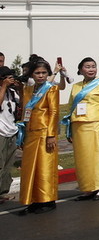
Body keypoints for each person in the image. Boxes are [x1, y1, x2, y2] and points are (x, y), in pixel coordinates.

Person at [15, 60, 62, 214]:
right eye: (37, 73)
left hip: (44, 132)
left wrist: (51, 135)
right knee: (30, 168)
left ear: (48, 73)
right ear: (32, 74)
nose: (41, 76)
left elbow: (54, 112)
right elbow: (25, 111)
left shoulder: (51, 89)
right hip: (30, 133)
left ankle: (48, 199)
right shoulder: (28, 90)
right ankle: (34, 198)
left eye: (43, 73)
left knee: (45, 167)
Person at [67, 57, 99, 200]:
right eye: (87, 67)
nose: (91, 69)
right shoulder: (76, 86)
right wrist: (68, 129)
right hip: (79, 126)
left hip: (97, 125)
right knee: (83, 158)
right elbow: (70, 109)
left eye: (93, 66)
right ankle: (88, 187)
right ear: (81, 70)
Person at [0, 66, 20, 204]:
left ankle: (2, 193)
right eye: (8, 77)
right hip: (0, 133)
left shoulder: (12, 93)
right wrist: (3, 87)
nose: (10, 80)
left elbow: (23, 108)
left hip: (11, 132)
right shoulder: (2, 91)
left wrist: (22, 89)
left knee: (7, 165)